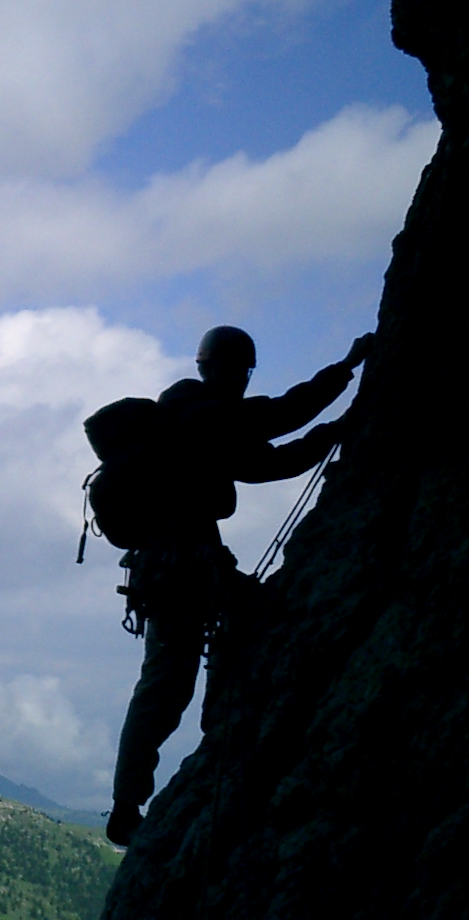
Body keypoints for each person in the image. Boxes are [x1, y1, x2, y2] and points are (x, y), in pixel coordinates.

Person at [104, 326, 374, 847]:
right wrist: (346, 369)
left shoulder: (192, 418)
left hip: (171, 567)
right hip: (185, 565)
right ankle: (145, 791)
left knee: (172, 677)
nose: (244, 382)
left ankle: (144, 790)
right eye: (242, 371)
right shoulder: (204, 413)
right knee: (175, 677)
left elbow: (265, 461)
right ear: (231, 369)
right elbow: (278, 418)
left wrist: (335, 430)